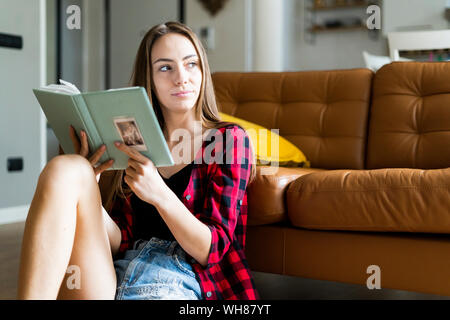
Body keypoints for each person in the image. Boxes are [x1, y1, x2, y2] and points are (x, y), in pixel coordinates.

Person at [17, 21, 260, 300]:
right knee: (67, 168)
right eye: (165, 68)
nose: (182, 77)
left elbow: (212, 249)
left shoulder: (228, 140)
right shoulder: (134, 139)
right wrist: (89, 190)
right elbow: (120, 240)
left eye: (191, 64)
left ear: (203, 70)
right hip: (115, 274)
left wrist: (159, 194)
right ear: (150, 79)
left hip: (181, 279)